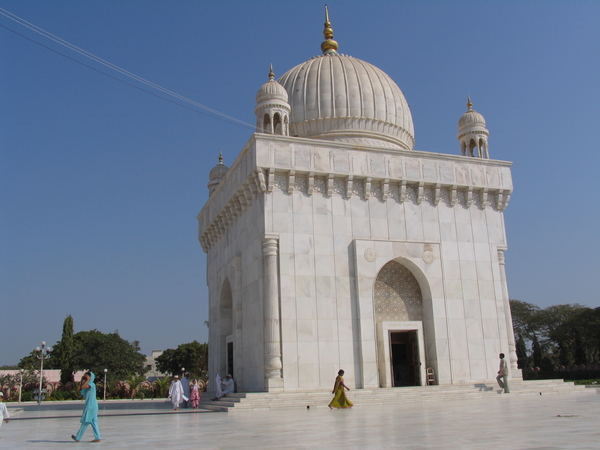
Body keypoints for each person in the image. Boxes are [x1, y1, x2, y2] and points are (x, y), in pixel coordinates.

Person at [71, 372, 101, 443]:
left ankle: (78, 438)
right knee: (94, 422)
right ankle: (97, 437)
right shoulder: (87, 385)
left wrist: (87, 380)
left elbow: (83, 387)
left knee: (85, 421)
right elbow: (79, 389)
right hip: (90, 405)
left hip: (91, 405)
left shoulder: (92, 384)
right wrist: (82, 380)